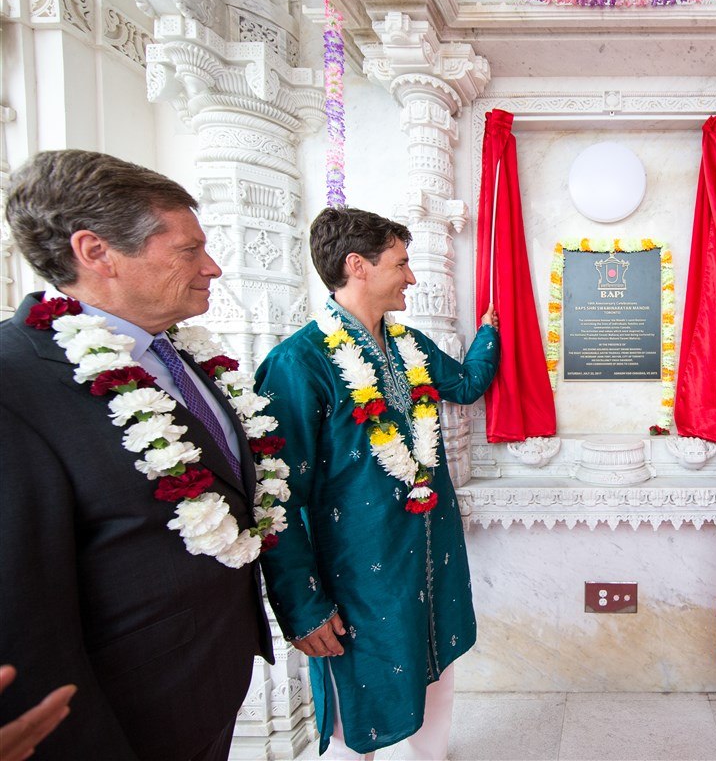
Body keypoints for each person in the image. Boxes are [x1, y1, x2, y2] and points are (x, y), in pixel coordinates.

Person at [0, 150, 274, 759]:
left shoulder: (182, 354)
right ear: (96, 252)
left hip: (209, 686)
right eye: (188, 250)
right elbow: (21, 610)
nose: (213, 267)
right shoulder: (13, 383)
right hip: (121, 719)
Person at [254, 207, 499, 760]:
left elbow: (463, 384)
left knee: (434, 661)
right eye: (402, 263)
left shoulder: (406, 343)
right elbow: (276, 494)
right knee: (364, 685)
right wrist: (302, 605)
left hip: (428, 549)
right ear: (357, 265)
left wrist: (489, 334)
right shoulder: (299, 363)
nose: (411, 277)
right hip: (359, 570)